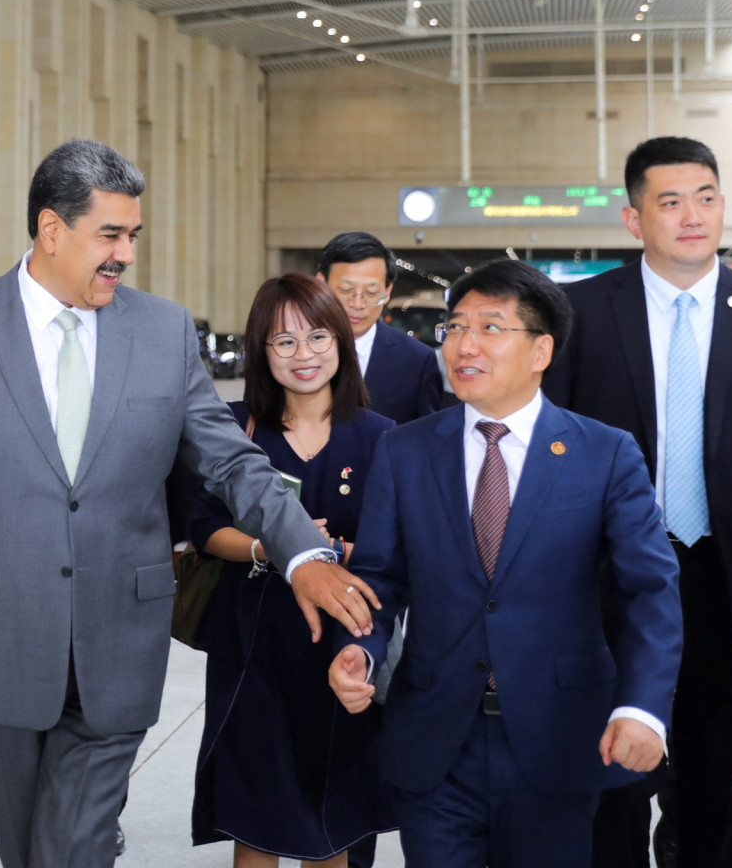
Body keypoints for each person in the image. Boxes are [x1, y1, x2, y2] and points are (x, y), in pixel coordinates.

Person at [0, 139, 379, 868]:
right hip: (1, 637)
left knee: (78, 845)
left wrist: (305, 555)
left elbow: (232, 463)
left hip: (121, 640)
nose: (125, 253)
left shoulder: (161, 330)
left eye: (132, 235)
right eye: (111, 234)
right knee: (23, 840)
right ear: (50, 230)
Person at [330, 260, 682, 868]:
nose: (464, 345)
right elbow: (381, 577)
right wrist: (358, 646)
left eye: (491, 328)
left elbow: (649, 589)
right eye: (455, 327)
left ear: (541, 349)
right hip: (438, 737)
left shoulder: (604, 452)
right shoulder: (405, 450)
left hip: (559, 735)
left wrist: (642, 707)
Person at [541, 137, 732, 868]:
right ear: (635, 220)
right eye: (669, 201)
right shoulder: (578, 314)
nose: (691, 215)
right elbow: (548, 465)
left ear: (723, 206)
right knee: (610, 800)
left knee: (720, 807)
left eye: (705, 197)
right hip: (611, 594)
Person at [190, 273, 396, 868]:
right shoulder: (234, 428)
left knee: (333, 813)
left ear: (341, 342)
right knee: (255, 814)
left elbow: (394, 548)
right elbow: (205, 527)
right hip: (253, 643)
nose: (302, 355)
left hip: (345, 641)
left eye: (317, 337)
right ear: (261, 350)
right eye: (283, 342)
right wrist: (274, 548)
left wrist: (335, 554)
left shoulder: (382, 437)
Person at [315, 232, 443, 426]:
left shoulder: (417, 360)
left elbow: (425, 437)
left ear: (388, 291)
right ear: (320, 284)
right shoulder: (290, 349)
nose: (357, 303)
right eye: (346, 290)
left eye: (371, 293)